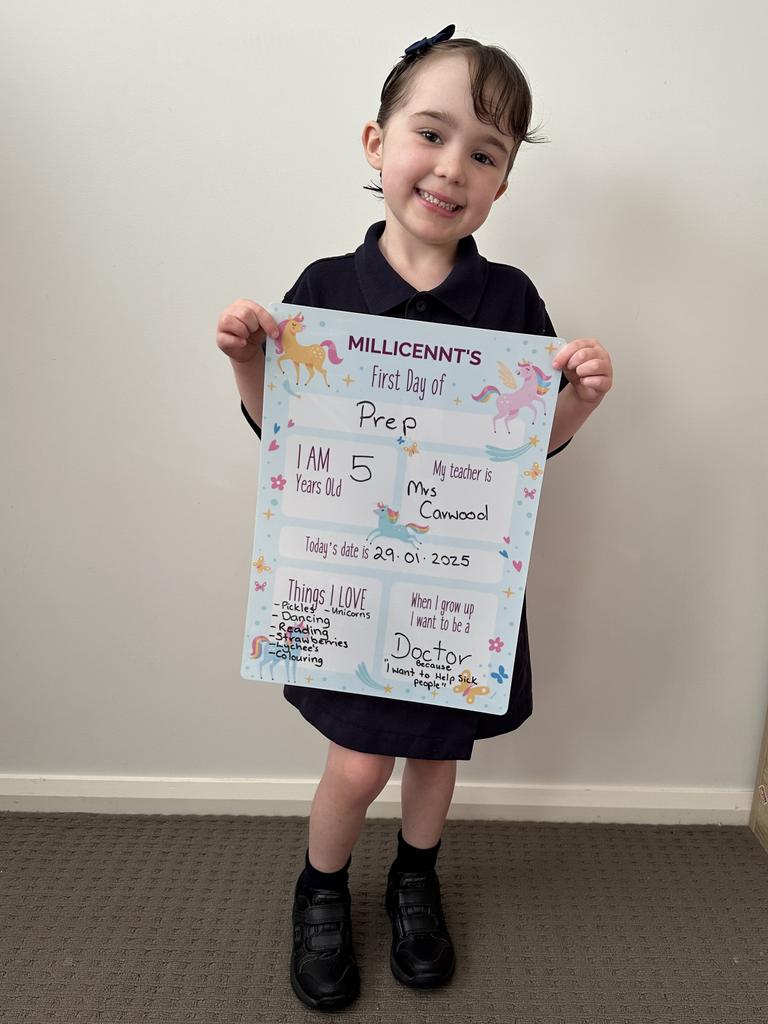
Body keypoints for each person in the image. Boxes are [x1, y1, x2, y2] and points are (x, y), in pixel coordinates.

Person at [216, 24, 613, 1012]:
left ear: (504, 184)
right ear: (375, 143)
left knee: (437, 756)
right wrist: (247, 362)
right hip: (352, 587)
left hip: (457, 590)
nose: (451, 167)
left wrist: (577, 402)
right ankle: (320, 890)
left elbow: (527, 449)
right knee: (358, 763)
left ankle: (415, 878)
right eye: (430, 134)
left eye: (485, 153)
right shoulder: (324, 295)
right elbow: (285, 440)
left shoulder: (512, 301)